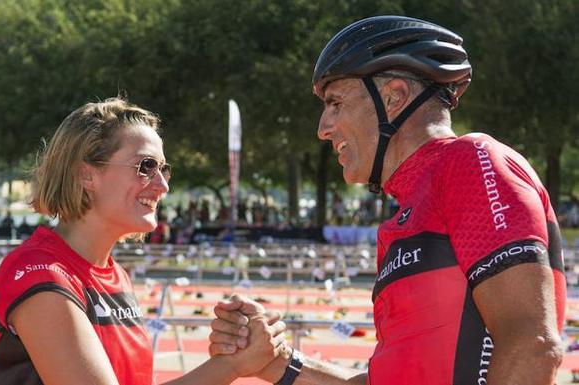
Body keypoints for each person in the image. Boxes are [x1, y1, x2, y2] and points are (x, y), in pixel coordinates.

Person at [210, 15, 566, 385]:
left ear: (394, 97)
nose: (323, 128)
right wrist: (277, 363)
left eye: (335, 103)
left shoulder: (468, 162)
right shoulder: (407, 214)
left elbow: (532, 345)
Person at [0, 98, 286, 385]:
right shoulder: (40, 274)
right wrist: (230, 366)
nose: (162, 185)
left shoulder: (115, 277)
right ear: (86, 174)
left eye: (164, 169)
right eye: (146, 167)